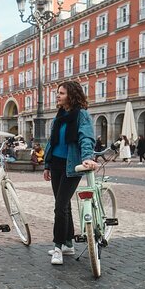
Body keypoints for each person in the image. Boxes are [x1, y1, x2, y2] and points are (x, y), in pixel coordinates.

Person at [43, 81, 97, 265]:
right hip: (56, 164)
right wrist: (47, 165)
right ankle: (68, 243)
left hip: (72, 165)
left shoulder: (81, 115)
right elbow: (52, 142)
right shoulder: (59, 115)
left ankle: (58, 247)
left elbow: (86, 137)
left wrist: (87, 157)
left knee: (60, 206)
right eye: (58, 93)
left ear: (71, 95)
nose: (58, 96)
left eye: (62, 93)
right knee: (63, 205)